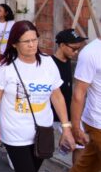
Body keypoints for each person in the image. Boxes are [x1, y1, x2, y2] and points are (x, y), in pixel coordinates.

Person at [0, 20, 75, 171]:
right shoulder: (5, 68)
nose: (32, 45)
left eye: (34, 39)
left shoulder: (48, 63)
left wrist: (66, 128)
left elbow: (57, 96)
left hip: (43, 132)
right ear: (14, 44)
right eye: (26, 41)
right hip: (15, 134)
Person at [49, 29, 87, 166]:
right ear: (62, 45)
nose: (76, 52)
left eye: (78, 49)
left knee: (80, 144)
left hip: (67, 114)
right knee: (41, 150)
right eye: (74, 48)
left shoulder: (68, 62)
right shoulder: (49, 63)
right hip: (51, 115)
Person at [70, 29, 101, 171]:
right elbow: (79, 93)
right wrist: (76, 128)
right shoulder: (91, 53)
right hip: (97, 122)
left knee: (88, 165)